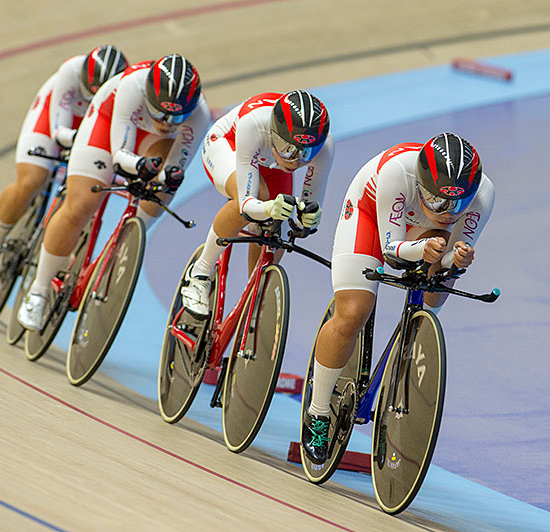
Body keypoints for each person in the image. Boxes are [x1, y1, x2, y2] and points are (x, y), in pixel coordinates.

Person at [301, 132, 495, 464]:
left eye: (457, 204)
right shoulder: (397, 172)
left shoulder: (483, 195)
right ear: (421, 184)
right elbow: (392, 251)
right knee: (353, 312)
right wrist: (425, 250)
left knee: (433, 299)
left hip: (421, 232)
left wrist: (454, 261)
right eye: (437, 201)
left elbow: (450, 260)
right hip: (371, 213)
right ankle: (317, 413)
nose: (448, 212)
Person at [17, 54, 211, 330]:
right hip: (107, 124)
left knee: (157, 198)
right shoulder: (132, 85)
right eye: (160, 112)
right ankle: (38, 290)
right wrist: (139, 165)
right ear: (149, 95)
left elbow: (176, 168)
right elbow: (120, 156)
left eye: (177, 116)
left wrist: (162, 177)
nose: (167, 121)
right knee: (81, 205)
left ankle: (115, 253)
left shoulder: (199, 115)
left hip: (157, 144)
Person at [0, 45, 128, 279]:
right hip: (56, 118)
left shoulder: (124, 91)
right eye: (90, 92)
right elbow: (58, 131)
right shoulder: (71, 71)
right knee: (31, 180)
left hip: (95, 126)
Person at [180, 90, 334, 317]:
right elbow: (246, 203)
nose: (296, 160)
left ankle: (255, 296)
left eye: (307, 153)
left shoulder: (325, 146)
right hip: (229, 145)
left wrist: (307, 219)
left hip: (270, 162)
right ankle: (200, 273)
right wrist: (269, 207)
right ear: (274, 133)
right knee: (256, 199)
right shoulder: (253, 123)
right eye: (288, 148)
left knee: (278, 226)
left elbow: (309, 209)